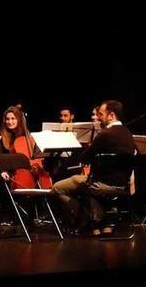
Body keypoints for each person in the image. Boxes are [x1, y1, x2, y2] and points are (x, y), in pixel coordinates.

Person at [51, 100, 134, 235]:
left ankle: (85, 219)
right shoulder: (128, 134)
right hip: (123, 186)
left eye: (101, 114)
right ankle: (102, 223)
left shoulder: (105, 134)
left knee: (57, 188)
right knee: (84, 181)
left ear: (111, 115)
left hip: (99, 184)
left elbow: (84, 158)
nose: (98, 118)